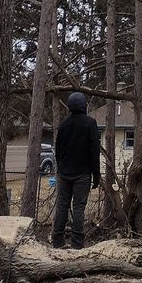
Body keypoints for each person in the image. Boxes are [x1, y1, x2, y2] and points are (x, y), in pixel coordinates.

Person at [51, 91, 100, 249]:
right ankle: (77, 244)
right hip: (82, 174)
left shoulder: (64, 125)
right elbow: (94, 151)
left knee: (62, 206)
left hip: (64, 173)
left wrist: (60, 168)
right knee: (78, 207)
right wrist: (96, 174)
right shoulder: (90, 123)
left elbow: (58, 150)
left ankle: (57, 241)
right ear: (83, 105)